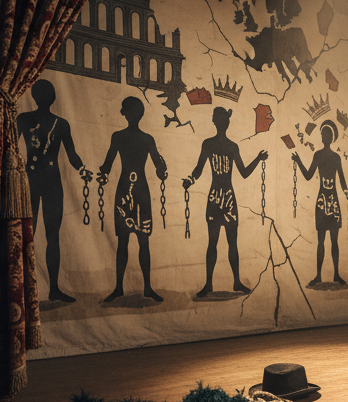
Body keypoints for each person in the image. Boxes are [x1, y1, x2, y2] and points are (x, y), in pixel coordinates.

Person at [183, 106, 268, 297]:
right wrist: (190, 179)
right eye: (221, 119)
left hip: (223, 198)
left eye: (224, 120)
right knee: (216, 243)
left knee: (229, 243)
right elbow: (199, 168)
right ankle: (212, 283)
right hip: (220, 198)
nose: (223, 123)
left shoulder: (230, 146)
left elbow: (243, 172)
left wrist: (258, 159)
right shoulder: (211, 144)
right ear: (217, 122)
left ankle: (233, 282)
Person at [17, 79, 86, 303]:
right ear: (53, 97)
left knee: (38, 235)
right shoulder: (33, 120)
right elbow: (72, 156)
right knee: (41, 235)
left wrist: (82, 170)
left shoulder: (28, 119)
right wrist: (83, 170)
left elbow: (72, 155)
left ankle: (49, 289)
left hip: (38, 180)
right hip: (44, 182)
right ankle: (39, 289)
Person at [99, 96, 168, 303]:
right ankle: (128, 287)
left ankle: (135, 287)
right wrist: (161, 171)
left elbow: (108, 164)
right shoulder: (144, 139)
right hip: (139, 191)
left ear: (128, 113)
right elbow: (157, 165)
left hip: (127, 190)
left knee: (131, 241)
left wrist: (103, 174)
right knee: (135, 241)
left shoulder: (122, 137)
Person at [292, 119, 348, 286]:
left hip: (332, 201)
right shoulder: (318, 155)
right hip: (322, 201)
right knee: (321, 240)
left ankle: (336, 274)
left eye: (327, 135)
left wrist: (346, 192)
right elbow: (308, 175)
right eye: (323, 134)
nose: (325, 137)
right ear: (322, 137)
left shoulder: (336, 157)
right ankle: (318, 275)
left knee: (334, 240)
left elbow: (342, 178)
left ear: (331, 138)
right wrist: (298, 161)